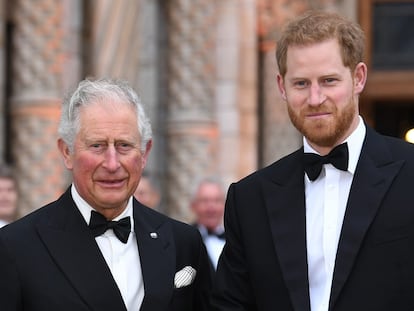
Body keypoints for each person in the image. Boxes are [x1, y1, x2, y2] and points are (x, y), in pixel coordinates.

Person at [211, 10, 414, 311]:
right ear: (281, 86)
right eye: (301, 84)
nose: (315, 98)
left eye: (329, 81)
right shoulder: (250, 198)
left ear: (358, 78)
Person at [0, 78, 212, 311]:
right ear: (67, 152)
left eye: (124, 145)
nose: (112, 164)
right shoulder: (15, 247)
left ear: (144, 153)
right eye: (97, 146)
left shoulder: (184, 242)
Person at [190, 177, 226, 270]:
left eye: (217, 201)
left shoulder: (233, 239)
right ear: (193, 206)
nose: (211, 208)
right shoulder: (185, 240)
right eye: (205, 201)